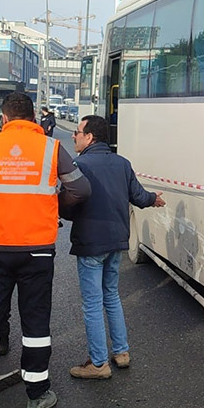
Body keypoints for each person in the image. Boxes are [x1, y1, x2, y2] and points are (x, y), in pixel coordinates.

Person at [0, 92, 89, 408]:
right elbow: (81, 189)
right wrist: (52, 204)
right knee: (35, 321)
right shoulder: (50, 147)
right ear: (33, 118)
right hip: (37, 249)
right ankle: (37, 393)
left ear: (4, 119)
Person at [62, 115, 164, 379]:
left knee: (93, 303)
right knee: (111, 295)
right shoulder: (122, 163)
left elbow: (69, 204)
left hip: (91, 241)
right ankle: (121, 352)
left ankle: (98, 364)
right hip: (117, 240)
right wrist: (155, 199)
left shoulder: (79, 165)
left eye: (78, 132)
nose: (74, 136)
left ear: (90, 137)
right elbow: (139, 197)